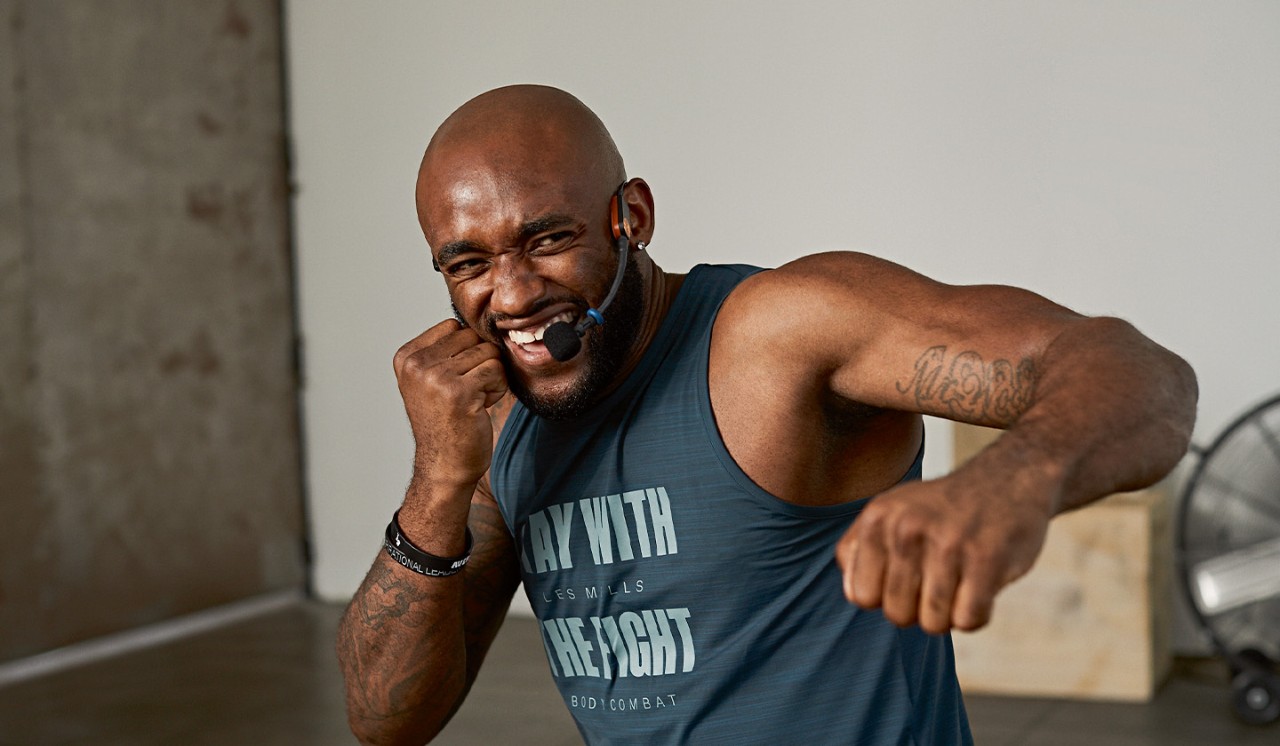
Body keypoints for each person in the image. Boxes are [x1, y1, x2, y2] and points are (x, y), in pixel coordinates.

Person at [336, 84, 1197, 745]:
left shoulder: (779, 336)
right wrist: (435, 482)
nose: (514, 294)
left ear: (631, 217)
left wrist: (1015, 480)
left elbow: (1146, 379)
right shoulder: (496, 425)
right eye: (469, 264)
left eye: (548, 239)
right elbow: (385, 721)